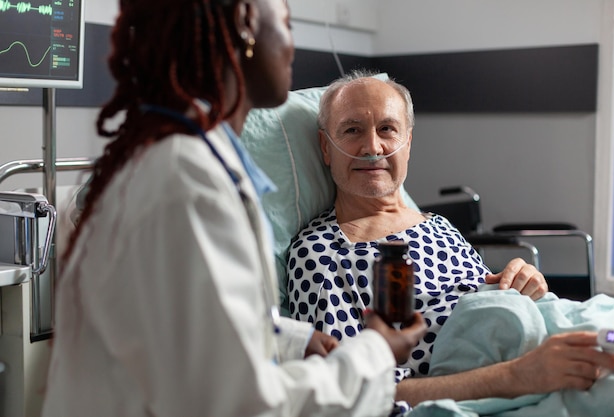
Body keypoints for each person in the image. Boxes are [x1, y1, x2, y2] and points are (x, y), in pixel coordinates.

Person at [41, 3, 427, 417]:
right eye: (285, 24)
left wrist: (286, 337)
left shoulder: (192, 161)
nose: (292, 47)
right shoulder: (186, 184)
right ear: (245, 23)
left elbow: (185, 330)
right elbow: (243, 404)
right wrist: (374, 354)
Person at [286, 70, 614, 411]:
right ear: (325, 148)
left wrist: (523, 285)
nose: (373, 147)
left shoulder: (440, 227)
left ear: (408, 144)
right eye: (352, 130)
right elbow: (353, 394)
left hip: (548, 347)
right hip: (513, 385)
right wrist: (519, 376)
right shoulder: (321, 253)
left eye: (387, 129)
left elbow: (486, 310)